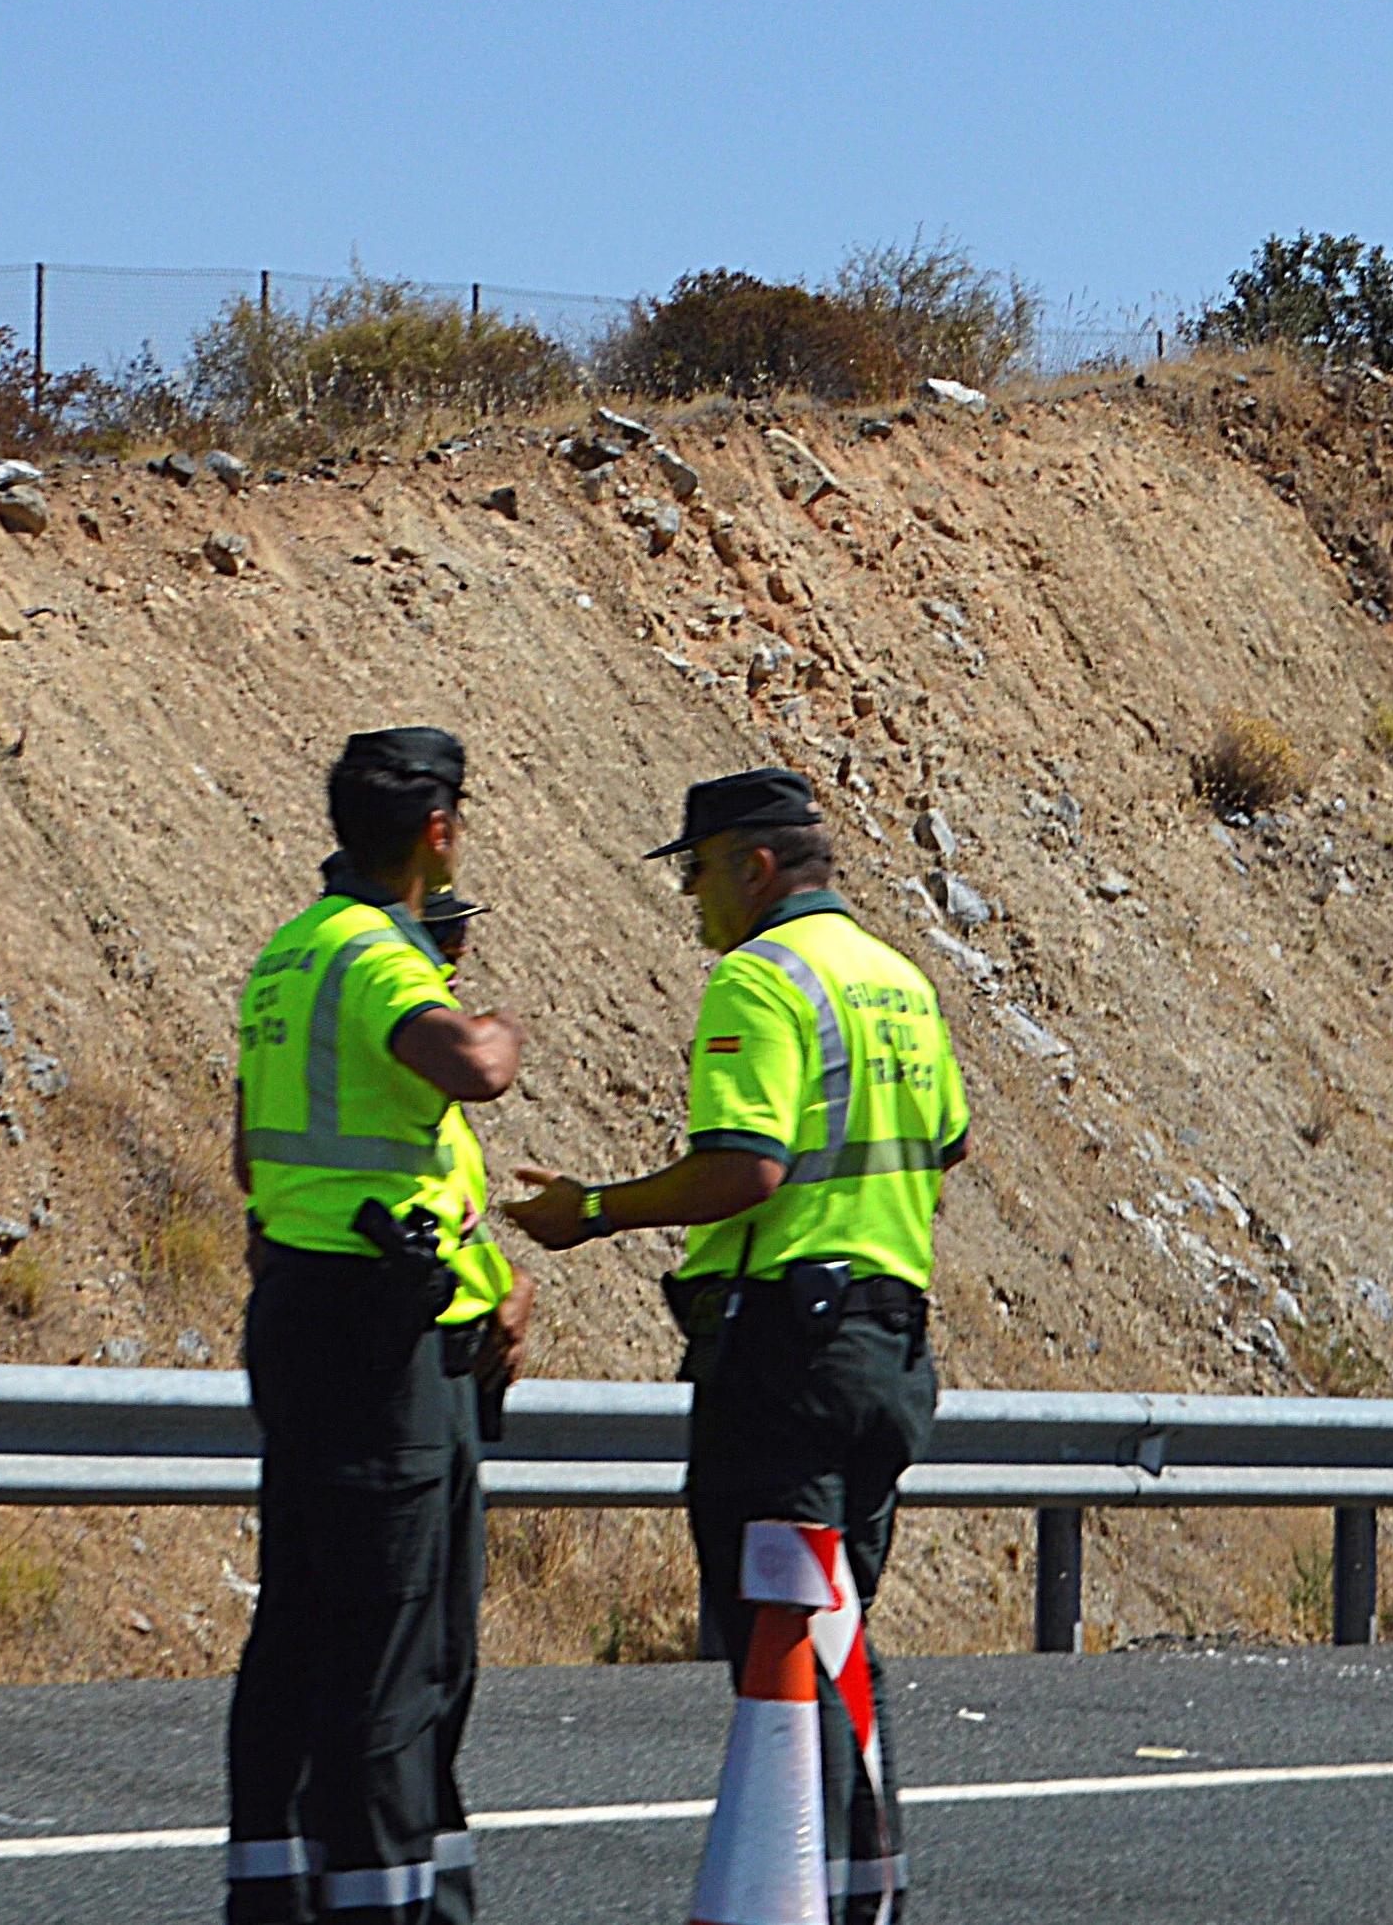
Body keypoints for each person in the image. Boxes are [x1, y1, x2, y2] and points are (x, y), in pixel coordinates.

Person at [504, 767, 966, 1923]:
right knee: (831, 1633)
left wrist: (592, 1209)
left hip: (788, 1356)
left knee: (784, 1637)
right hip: (887, 1344)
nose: (693, 898)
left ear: (755, 866)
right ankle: (858, 1891)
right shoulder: (899, 981)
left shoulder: (760, 978)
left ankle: (802, 1892)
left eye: (700, 869)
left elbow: (745, 1166)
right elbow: (948, 1140)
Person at [227, 727, 529, 1925]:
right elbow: (469, 1066)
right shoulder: (374, 955)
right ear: (439, 831)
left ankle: (277, 1898)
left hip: (305, 1314)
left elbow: (256, 1152)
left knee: (300, 1630)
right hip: (380, 1340)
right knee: (397, 1656)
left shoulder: (286, 956)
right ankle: (396, 1909)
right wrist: (496, 1024)